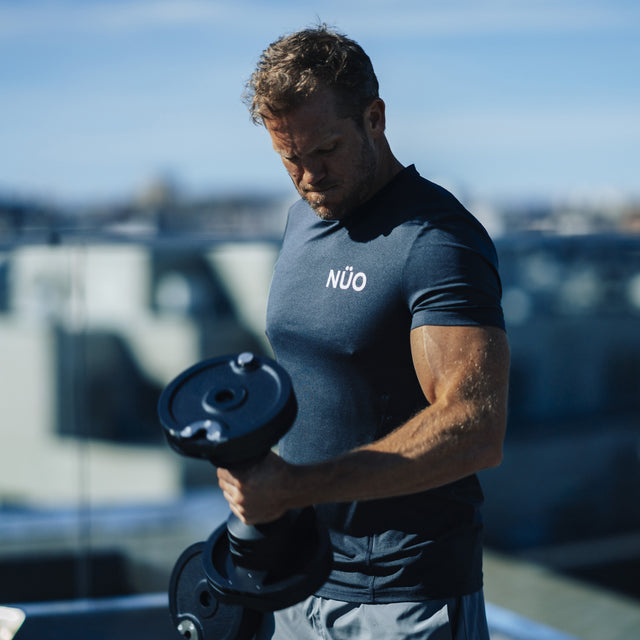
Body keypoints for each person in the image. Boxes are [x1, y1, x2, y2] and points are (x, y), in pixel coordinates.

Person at [217, 25, 510, 639]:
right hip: (297, 575)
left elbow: (474, 428)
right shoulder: (301, 221)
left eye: (325, 150)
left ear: (373, 118)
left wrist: (296, 486)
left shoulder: (436, 239)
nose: (308, 176)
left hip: (402, 597)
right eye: (289, 157)